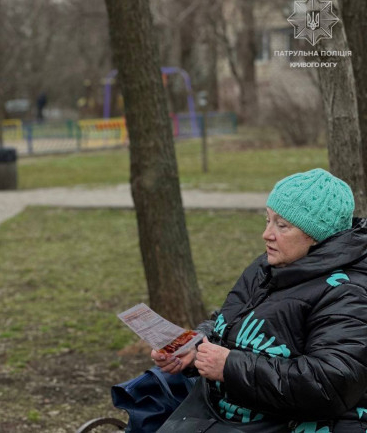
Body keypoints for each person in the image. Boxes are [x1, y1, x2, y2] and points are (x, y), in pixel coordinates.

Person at [151, 168, 367, 432]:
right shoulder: (266, 268)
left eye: (282, 225)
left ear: (315, 235)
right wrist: (192, 345)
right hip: (231, 413)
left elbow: (329, 383)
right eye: (267, 220)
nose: (267, 234)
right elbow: (226, 324)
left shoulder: (347, 292)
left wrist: (230, 367)